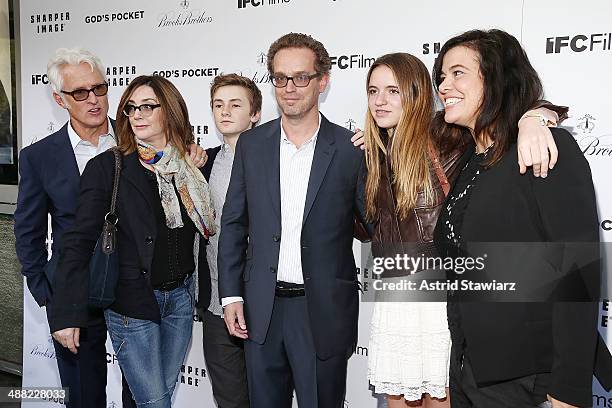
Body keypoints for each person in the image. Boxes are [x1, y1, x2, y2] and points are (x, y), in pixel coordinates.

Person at [362, 52, 566, 408]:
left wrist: (536, 117)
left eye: (393, 91)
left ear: (417, 94)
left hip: (438, 299)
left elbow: (506, 113)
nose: (381, 101)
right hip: (395, 300)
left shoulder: (445, 134)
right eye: (373, 90)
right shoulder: (372, 155)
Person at [433, 29, 599, 407]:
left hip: (527, 376)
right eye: (441, 76)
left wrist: (567, 389)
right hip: (469, 369)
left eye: (458, 73)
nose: (444, 85)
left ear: (496, 78)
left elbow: (578, 273)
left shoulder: (544, 149)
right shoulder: (469, 161)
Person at [218, 32, 367, 407]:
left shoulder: (352, 150)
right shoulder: (251, 145)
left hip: (322, 311)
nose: (289, 88)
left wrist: (384, 157)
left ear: (323, 81)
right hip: (261, 308)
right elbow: (234, 223)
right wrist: (231, 294)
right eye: (280, 78)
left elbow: (376, 223)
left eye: (301, 77)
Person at [48, 74, 214, 408]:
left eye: (147, 107)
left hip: (180, 300)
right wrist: (65, 314)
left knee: (158, 396)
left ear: (169, 111)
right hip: (131, 304)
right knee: (154, 402)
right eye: (130, 109)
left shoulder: (188, 167)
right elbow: (76, 244)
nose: (136, 115)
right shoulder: (108, 168)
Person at [197, 73, 262, 408]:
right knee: (230, 400)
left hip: (265, 303)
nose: (225, 111)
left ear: (255, 114)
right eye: (218, 105)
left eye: (235, 104)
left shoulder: (276, 160)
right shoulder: (203, 164)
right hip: (216, 303)